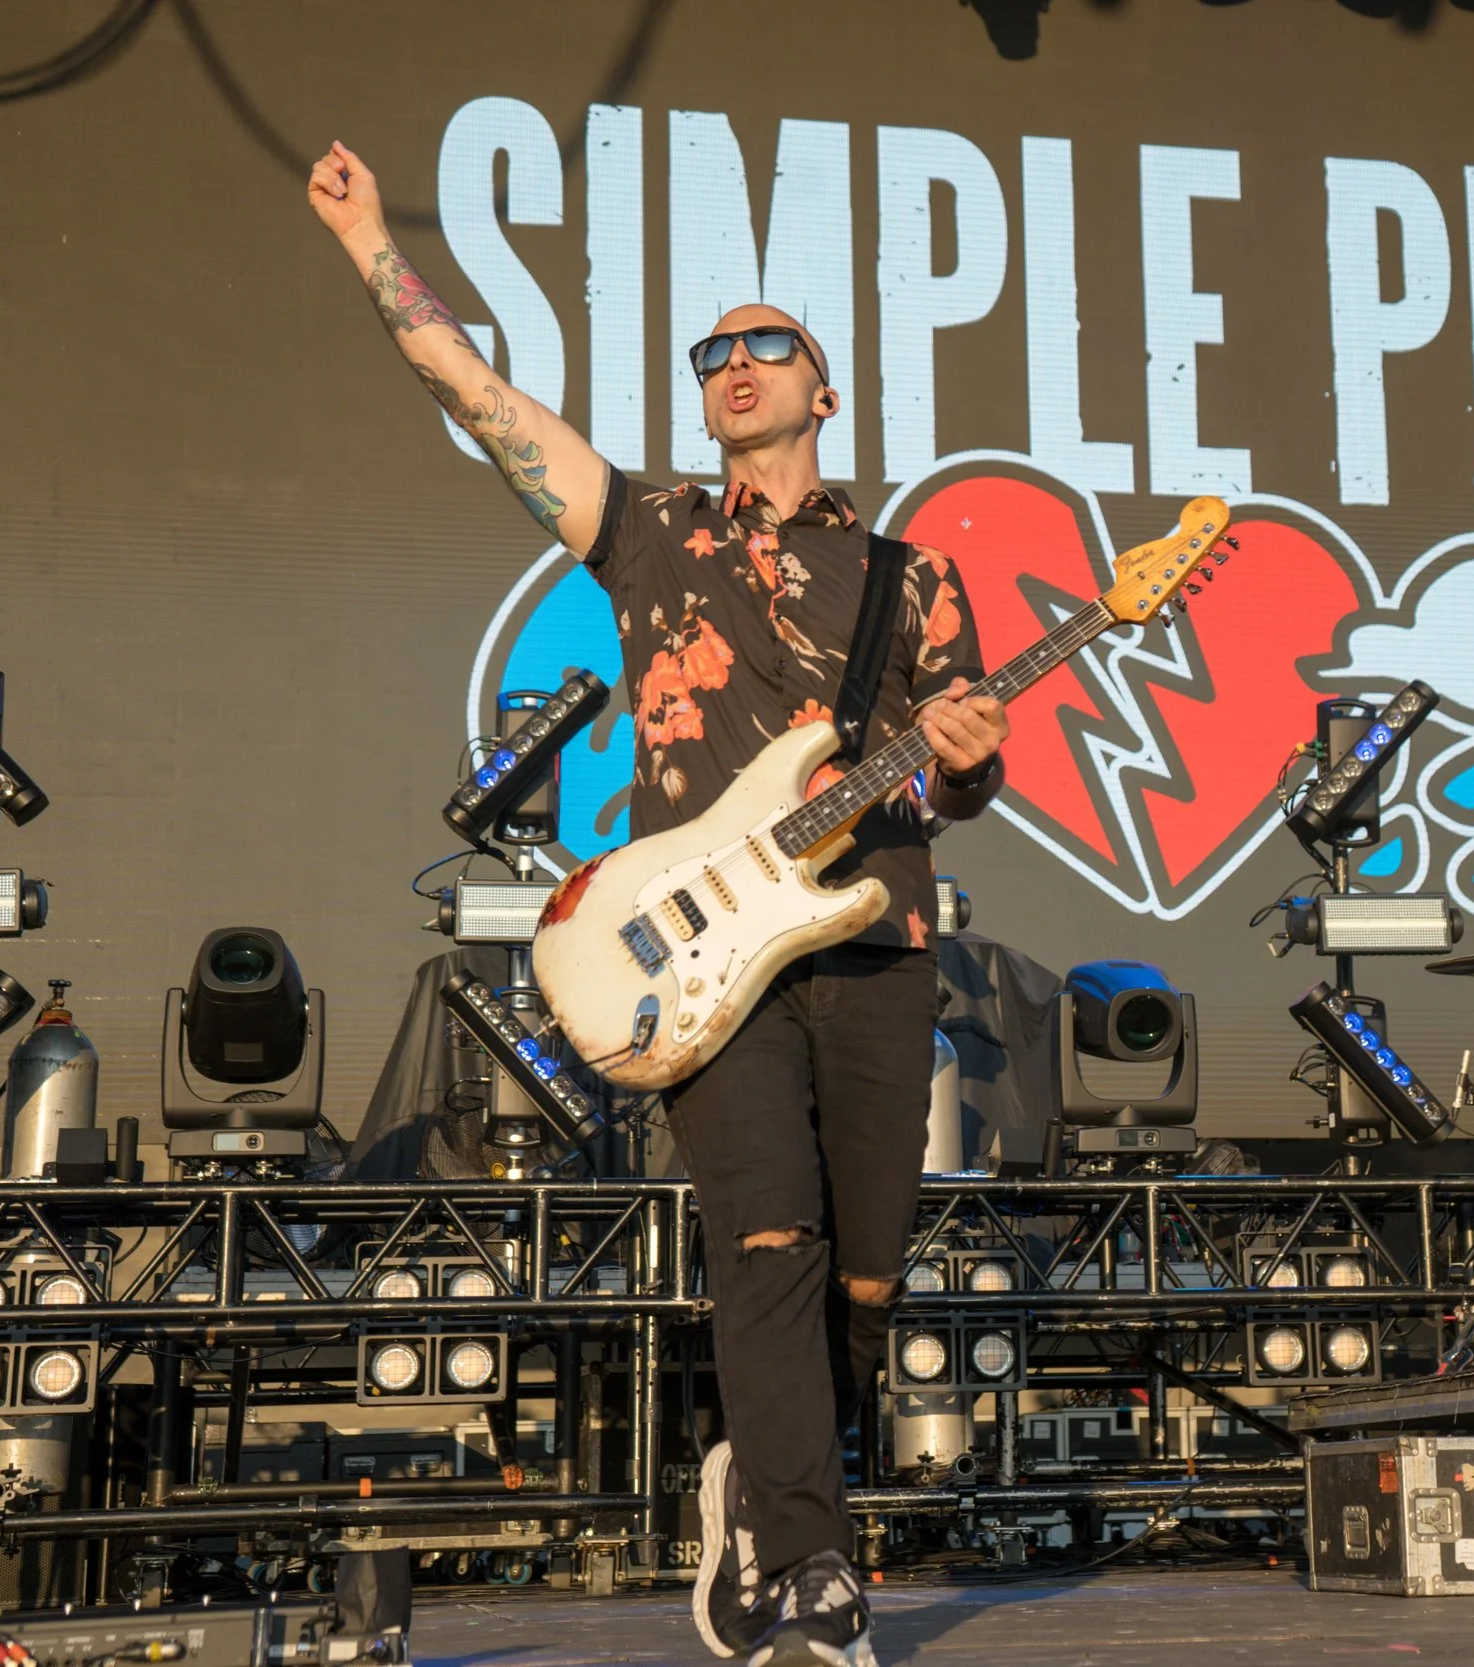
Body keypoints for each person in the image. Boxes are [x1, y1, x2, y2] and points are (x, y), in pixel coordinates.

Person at [310, 142, 1007, 1667]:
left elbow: (964, 774)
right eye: (712, 352)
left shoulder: (912, 574)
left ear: (825, 391)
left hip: (875, 935)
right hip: (703, 952)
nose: (734, 362)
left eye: (768, 344)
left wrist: (968, 758)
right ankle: (818, 1567)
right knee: (767, 1237)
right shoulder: (651, 530)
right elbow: (473, 394)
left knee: (865, 1274)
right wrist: (370, 245)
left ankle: (757, 1485)